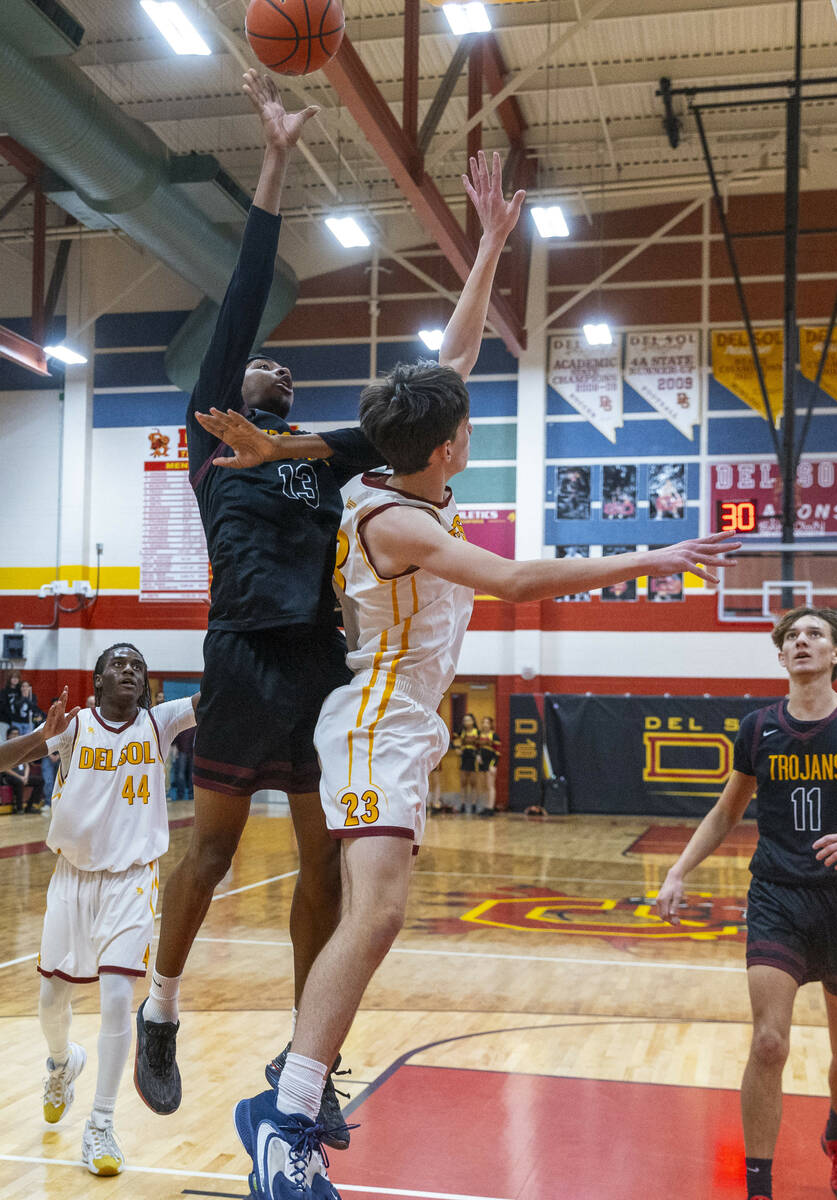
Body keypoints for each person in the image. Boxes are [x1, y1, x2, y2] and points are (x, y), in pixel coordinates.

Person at [199, 153, 741, 1196]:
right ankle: (286, 1110)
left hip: (391, 720)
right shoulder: (398, 517)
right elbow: (517, 580)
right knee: (379, 911)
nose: (468, 423)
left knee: (378, 911)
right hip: (370, 721)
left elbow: (442, 360)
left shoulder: (386, 466)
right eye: (464, 424)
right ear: (447, 450)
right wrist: (651, 555)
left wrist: (490, 242)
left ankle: (292, 1093)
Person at [133, 71, 383, 1143]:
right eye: (255, 366)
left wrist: (309, 443)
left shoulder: (320, 461)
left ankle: (304, 1057)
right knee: (214, 850)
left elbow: (417, 415)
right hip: (239, 656)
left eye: (284, 368)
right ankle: (160, 1005)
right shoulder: (210, 442)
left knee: (325, 861)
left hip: (319, 661)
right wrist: (273, 161)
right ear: (233, 391)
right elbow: (240, 299)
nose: (268, 366)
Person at [655, 606, 837, 1200]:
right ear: (781, 656)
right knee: (769, 1041)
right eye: (792, 636)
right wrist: (678, 870)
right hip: (778, 898)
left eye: (815, 634)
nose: (802, 641)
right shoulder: (759, 726)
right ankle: (758, 1185)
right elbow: (725, 812)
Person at [1, 650, 197, 1177]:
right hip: (72, 878)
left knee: (117, 1000)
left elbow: (219, 698)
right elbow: (2, 759)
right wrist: (42, 735)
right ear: (98, 679)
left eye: (138, 664)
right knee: (50, 1002)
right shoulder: (75, 725)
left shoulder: (161, 722)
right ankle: (62, 1063)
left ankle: (101, 1126)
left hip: (133, 879)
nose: (130, 669)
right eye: (118, 663)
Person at [454, 712, 480, 813]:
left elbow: (479, 746)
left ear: (473, 721)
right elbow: (454, 741)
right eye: (465, 720)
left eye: (468, 720)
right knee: (463, 783)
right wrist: (457, 749)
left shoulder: (477, 732)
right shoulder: (461, 732)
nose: (466, 722)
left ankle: (473, 805)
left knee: (473, 783)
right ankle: (463, 804)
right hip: (464, 757)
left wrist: (478, 755)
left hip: (473, 758)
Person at [476, 715, 501, 817]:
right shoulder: (480, 735)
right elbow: (477, 748)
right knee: (485, 786)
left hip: (490, 763)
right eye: (483, 722)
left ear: (491, 725)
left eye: (487, 723)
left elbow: (497, 752)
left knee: (490, 786)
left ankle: (490, 808)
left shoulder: (494, 736)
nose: (485, 724)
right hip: (482, 763)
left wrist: (493, 765)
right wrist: (477, 756)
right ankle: (486, 806)